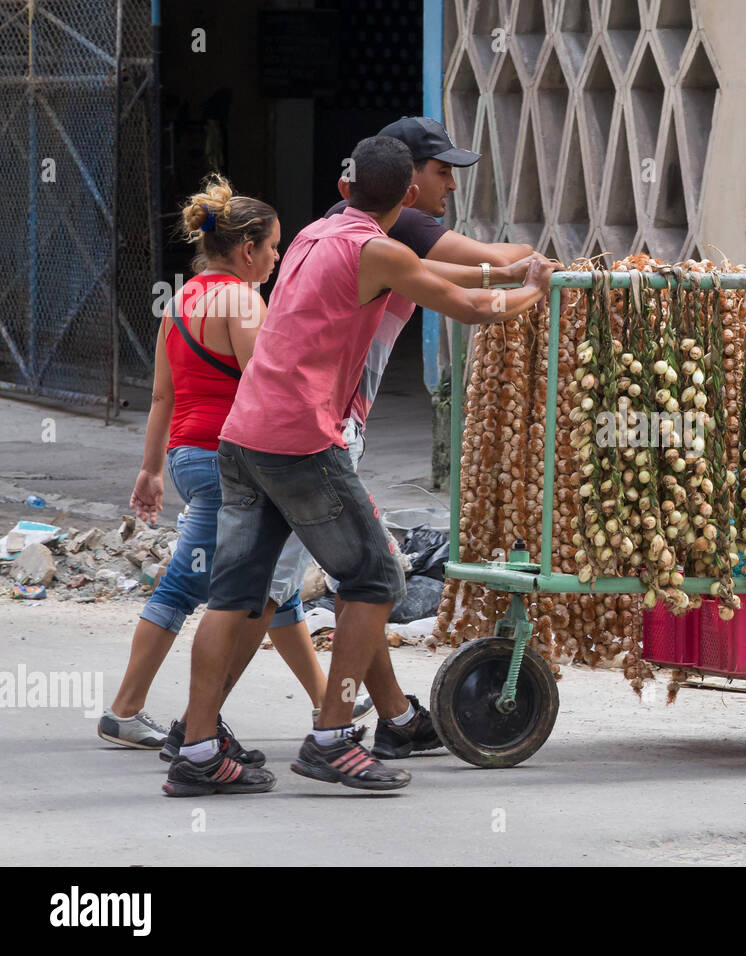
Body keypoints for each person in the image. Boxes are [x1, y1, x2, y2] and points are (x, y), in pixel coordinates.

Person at [162, 135, 555, 796]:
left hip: (242, 435)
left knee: (235, 597)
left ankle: (197, 748)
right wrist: (534, 292)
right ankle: (334, 736)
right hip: (299, 440)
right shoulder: (379, 251)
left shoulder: (318, 235)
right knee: (374, 577)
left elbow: (439, 281)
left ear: (345, 190)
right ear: (406, 195)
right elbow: (464, 306)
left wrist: (507, 279)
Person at [265, 115, 536, 760]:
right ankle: (220, 736)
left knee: (358, 581)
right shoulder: (398, 227)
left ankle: (394, 715)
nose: (450, 188)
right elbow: (480, 278)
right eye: (443, 173)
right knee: (298, 587)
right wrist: (538, 276)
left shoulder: (335, 224)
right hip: (321, 428)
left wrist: (513, 275)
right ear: (407, 180)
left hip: (299, 423)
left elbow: (471, 280)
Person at [98, 176, 368, 758]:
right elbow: (262, 386)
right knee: (191, 585)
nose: (276, 258)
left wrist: (151, 470)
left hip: (187, 456)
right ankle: (126, 710)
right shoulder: (244, 301)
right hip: (232, 464)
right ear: (247, 250)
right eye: (272, 247)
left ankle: (329, 700)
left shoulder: (181, 299)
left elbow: (161, 398)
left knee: (275, 588)